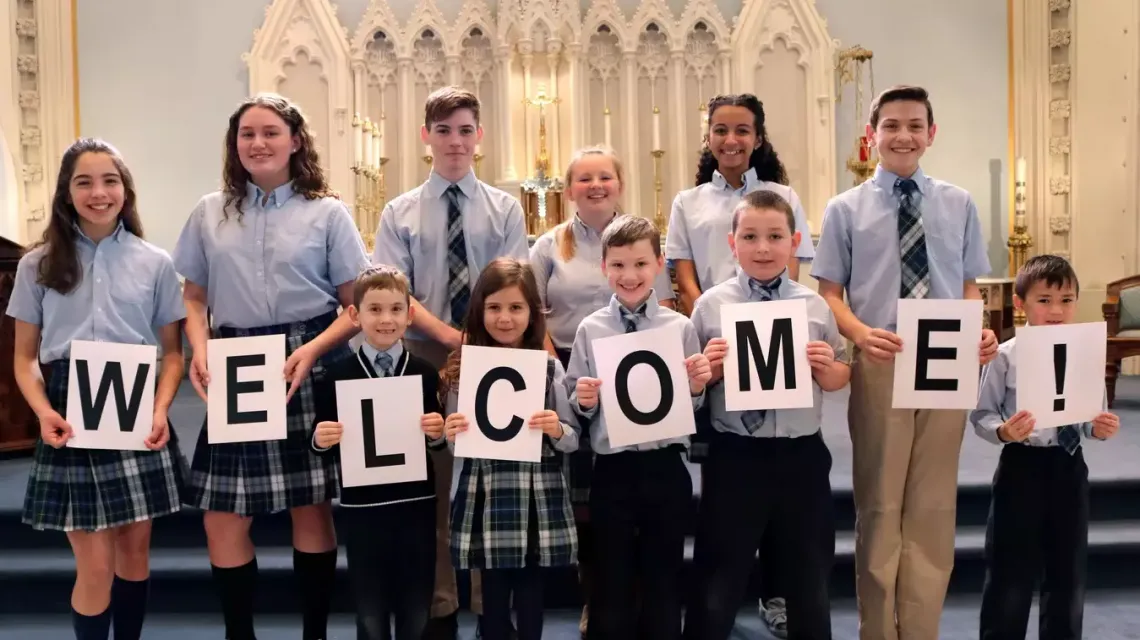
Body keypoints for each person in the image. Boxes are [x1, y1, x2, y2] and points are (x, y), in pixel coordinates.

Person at [173, 93, 371, 640]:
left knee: (311, 505)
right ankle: (241, 634)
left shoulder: (327, 212)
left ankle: (313, 633)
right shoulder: (208, 211)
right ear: (234, 145)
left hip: (309, 357)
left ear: (295, 141)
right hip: (237, 360)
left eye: (270, 132)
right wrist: (201, 346)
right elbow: (192, 294)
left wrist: (311, 349)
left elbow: (358, 306)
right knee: (223, 513)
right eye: (246, 135)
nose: (257, 143)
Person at [811, 84, 999, 639]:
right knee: (880, 501)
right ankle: (878, 630)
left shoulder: (958, 203)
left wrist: (977, 331)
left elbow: (968, 286)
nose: (903, 135)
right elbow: (829, 294)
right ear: (872, 137)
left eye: (915, 125)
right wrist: (862, 335)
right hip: (882, 358)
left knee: (933, 504)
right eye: (891, 125)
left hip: (945, 361)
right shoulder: (845, 209)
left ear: (931, 135)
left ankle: (921, 629)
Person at [7, 138, 188, 640]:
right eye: (83, 182)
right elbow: (23, 358)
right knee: (93, 565)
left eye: (109, 181)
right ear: (67, 193)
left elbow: (172, 353)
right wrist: (43, 412)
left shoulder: (155, 262)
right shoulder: (36, 264)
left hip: (135, 406)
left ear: (125, 191)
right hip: (69, 410)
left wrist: (160, 409)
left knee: (134, 552)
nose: (98, 192)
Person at [373, 86, 528, 639]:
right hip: (420, 361)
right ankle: (440, 607)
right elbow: (392, 296)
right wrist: (452, 338)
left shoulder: (506, 209)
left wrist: (479, 344)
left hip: (495, 362)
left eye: (465, 130)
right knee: (435, 487)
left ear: (479, 137)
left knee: (487, 484)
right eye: (443, 131)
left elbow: (516, 287)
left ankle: (490, 607)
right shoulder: (400, 212)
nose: (455, 141)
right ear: (426, 138)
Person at [683, 190, 849, 640]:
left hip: (801, 455)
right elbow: (691, 389)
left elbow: (838, 377)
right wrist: (708, 372)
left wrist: (829, 368)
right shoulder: (710, 306)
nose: (762, 248)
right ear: (732, 242)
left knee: (808, 573)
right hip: (735, 455)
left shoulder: (813, 306)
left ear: (794, 241)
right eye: (750, 236)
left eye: (775, 236)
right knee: (719, 570)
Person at [528, 145, 676, 636]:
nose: (595, 186)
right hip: (575, 373)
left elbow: (666, 320)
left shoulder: (638, 240)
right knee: (591, 506)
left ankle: (643, 603)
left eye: (605, 177)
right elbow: (532, 311)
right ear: (569, 189)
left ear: (620, 183)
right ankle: (600, 598)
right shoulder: (551, 245)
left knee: (648, 525)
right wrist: (559, 373)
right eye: (584, 179)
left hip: (644, 386)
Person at [567, 215, 712, 640]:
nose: (629, 276)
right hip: (612, 471)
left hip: (666, 466)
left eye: (640, 264)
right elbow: (578, 400)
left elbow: (692, 401)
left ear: (659, 264)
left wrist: (698, 387)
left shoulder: (680, 328)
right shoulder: (590, 329)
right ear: (604, 267)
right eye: (618, 266)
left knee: (663, 577)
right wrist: (585, 400)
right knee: (611, 578)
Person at [971, 254, 1120, 639]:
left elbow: (1091, 414)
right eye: (1044, 300)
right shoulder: (1006, 356)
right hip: (1022, 466)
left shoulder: (1086, 352)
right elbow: (982, 415)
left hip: (1069, 466)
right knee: (1010, 572)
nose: (1056, 310)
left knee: (1068, 573)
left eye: (1066, 300)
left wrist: (1098, 427)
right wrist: (1004, 431)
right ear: (1021, 304)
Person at [440, 258, 579, 640]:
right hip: (486, 491)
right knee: (494, 592)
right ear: (479, 311)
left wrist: (555, 427)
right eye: (495, 307)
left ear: (533, 313)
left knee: (532, 592)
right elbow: (454, 445)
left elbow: (573, 436)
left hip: (536, 492)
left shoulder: (550, 369)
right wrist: (451, 433)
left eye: (516, 308)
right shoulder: (462, 369)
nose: (505, 318)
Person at [309, 266, 447, 640]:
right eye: (374, 309)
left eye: (395, 309)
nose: (386, 319)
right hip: (363, 508)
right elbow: (319, 443)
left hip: (415, 504)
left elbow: (437, 444)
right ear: (354, 315)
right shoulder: (336, 376)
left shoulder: (424, 373)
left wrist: (436, 434)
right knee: (369, 612)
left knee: (415, 607)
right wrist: (322, 438)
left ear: (409, 314)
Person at [666, 93, 815, 313]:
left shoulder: (785, 198)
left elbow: (789, 275)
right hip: (712, 328)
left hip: (772, 321)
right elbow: (686, 283)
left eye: (742, 131)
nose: (731, 140)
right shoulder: (686, 204)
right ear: (708, 138)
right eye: (720, 130)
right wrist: (712, 320)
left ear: (758, 139)